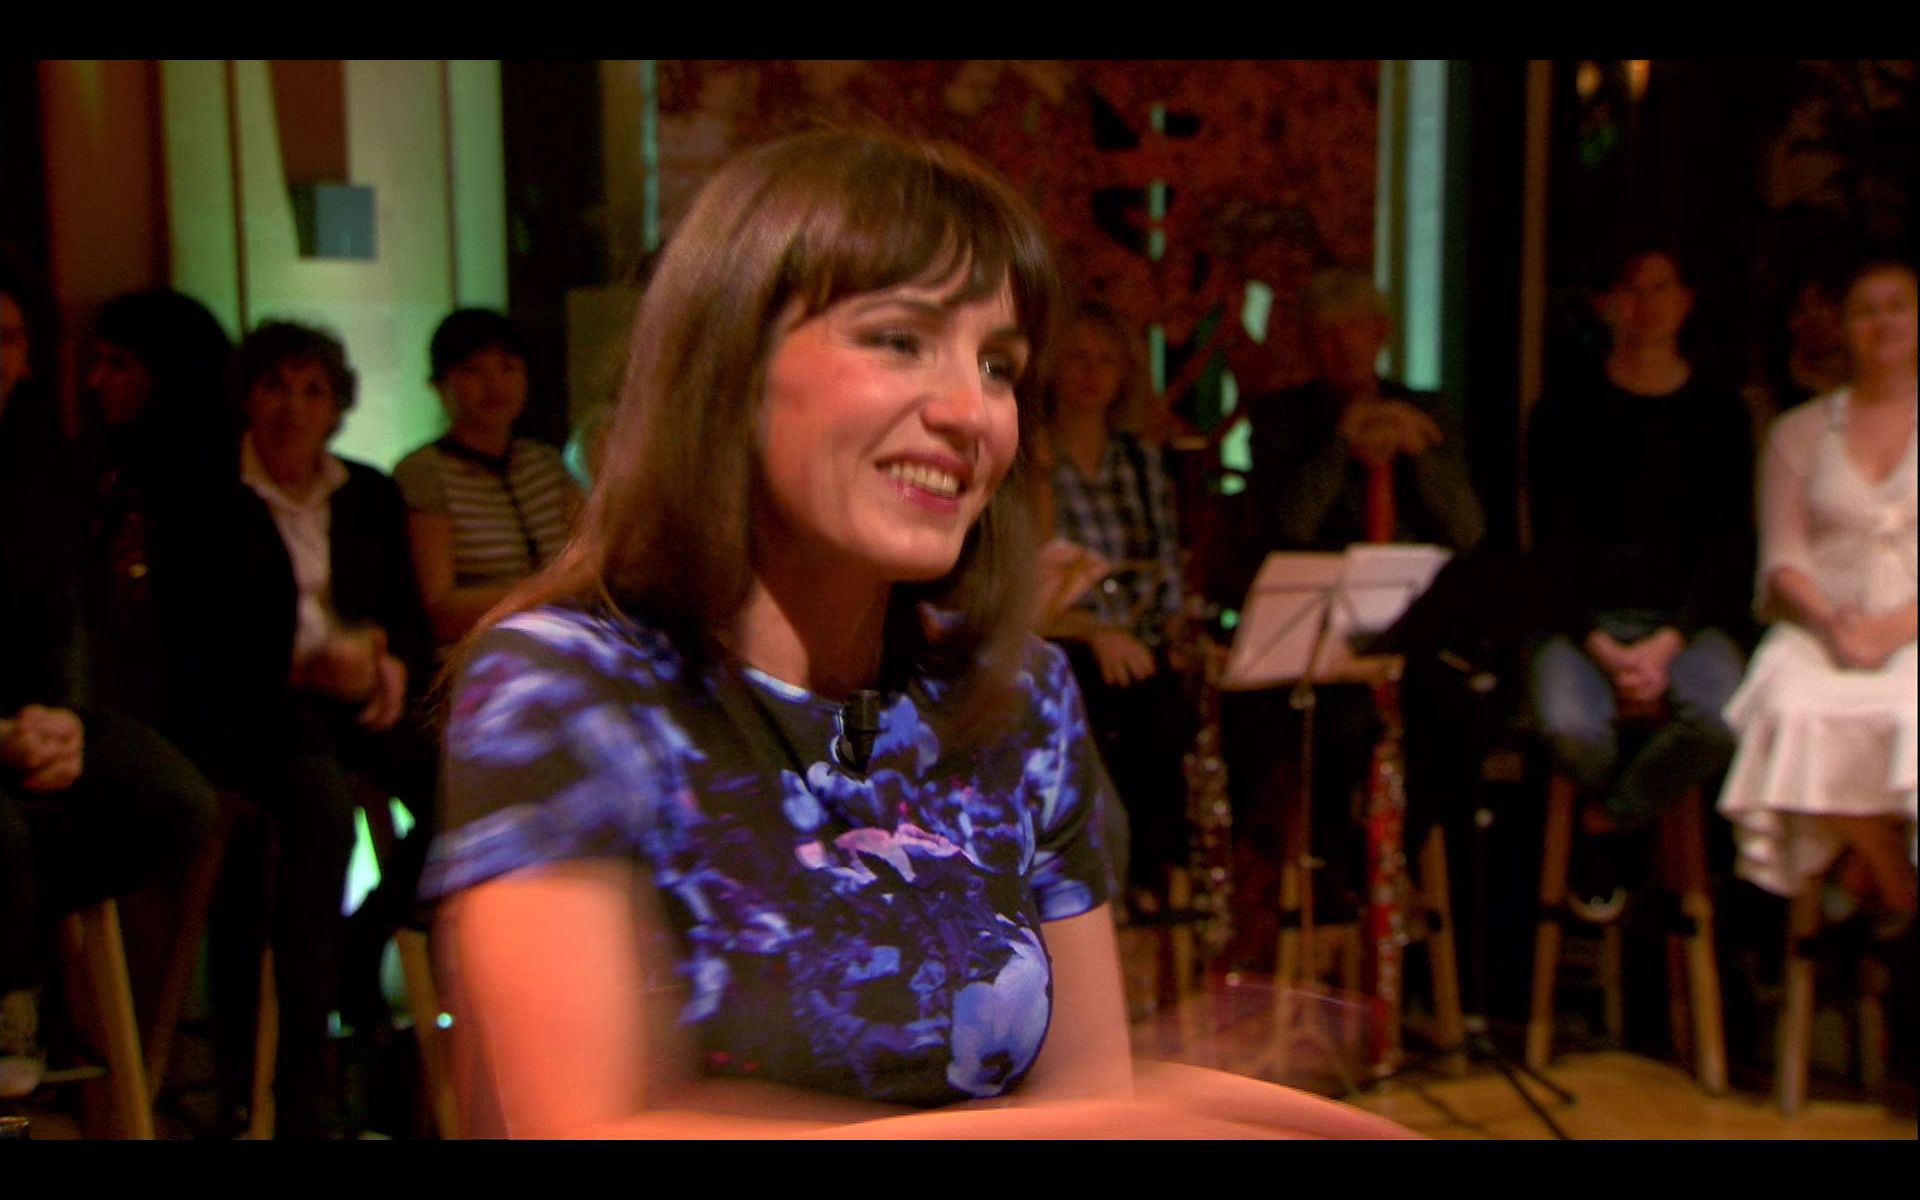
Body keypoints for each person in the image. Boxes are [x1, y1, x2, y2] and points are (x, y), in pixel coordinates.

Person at [419, 128, 1411, 1139]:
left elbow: (1085, 1096)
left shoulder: (1018, 695)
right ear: (728, 365)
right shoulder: (568, 687)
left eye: (999, 365)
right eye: (900, 340)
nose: (972, 413)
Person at [2, 276, 230, 1100]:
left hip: (46, 709)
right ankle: (17, 991)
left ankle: (23, 936)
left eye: (6, 339)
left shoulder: (47, 471)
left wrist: (63, 716)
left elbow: (70, 614)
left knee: (178, 802)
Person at [210, 320, 438, 1138]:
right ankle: (305, 1079)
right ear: (247, 396)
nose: (293, 407)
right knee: (320, 810)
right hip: (259, 707)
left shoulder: (367, 492)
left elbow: (405, 616)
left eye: (312, 390)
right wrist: (304, 666)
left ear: (336, 406)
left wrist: (387, 660)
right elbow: (196, 642)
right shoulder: (210, 496)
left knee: (471, 781)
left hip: (358, 698)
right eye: (275, 386)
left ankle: (362, 940)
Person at [1526, 242, 1754, 908]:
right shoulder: (1562, 411)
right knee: (1569, 729)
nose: (1646, 305)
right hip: (1582, 625)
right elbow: (1551, 544)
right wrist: (1601, 645)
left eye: (1661, 288)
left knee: (1724, 721)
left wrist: (1667, 642)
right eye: (1630, 290)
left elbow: (1726, 549)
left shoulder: (1721, 414)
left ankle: (1609, 824)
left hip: (1686, 625)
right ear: (1604, 304)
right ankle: (1629, 821)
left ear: (1686, 301)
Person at [1717, 258, 1917, 930]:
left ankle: (1864, 880)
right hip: (1818, 629)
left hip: (1913, 631)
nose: (1883, 322)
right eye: (1866, 310)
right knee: (1789, 711)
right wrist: (1833, 625)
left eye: (1898, 305)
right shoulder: (1797, 433)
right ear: (1844, 328)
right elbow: (1782, 557)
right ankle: (1894, 883)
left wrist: (1893, 630)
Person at [1038, 302, 1191, 909]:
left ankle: (1166, 877)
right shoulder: (1033, 457)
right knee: (1122, 704)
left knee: (1178, 708)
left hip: (1138, 639)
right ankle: (1127, 886)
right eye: (1077, 358)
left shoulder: (1140, 461)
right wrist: (1095, 631)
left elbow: (1165, 563)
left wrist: (1175, 631)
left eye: (1105, 361)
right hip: (1066, 637)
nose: (1090, 373)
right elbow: (1035, 577)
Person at [393, 310, 581, 649]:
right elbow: (439, 605)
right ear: (439, 385)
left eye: (508, 367)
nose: (494, 384)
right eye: (472, 370)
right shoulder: (424, 472)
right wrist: (555, 591)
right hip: (480, 652)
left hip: (566, 642)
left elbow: (591, 552)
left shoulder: (544, 462)